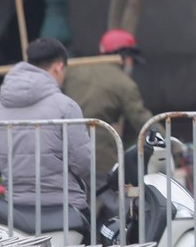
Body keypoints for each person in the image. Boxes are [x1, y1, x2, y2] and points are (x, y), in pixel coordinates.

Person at [0, 37, 93, 210]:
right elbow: (83, 164)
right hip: (65, 210)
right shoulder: (65, 106)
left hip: (17, 211)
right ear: (59, 66)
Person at [63, 29, 153, 175]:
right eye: (132, 60)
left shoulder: (75, 70)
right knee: (111, 194)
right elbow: (141, 119)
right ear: (125, 56)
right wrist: (171, 144)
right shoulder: (124, 83)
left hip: (66, 147)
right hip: (99, 152)